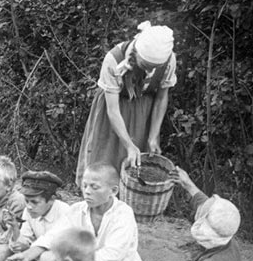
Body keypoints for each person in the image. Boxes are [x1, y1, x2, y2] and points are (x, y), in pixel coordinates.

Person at [26, 163, 143, 261]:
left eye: (94, 187)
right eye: (85, 185)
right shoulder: (77, 210)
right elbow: (56, 235)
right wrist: (30, 253)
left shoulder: (123, 214)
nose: (87, 191)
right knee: (46, 258)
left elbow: (113, 256)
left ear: (113, 191)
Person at [75, 21, 177, 186]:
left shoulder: (169, 60)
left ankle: (127, 206)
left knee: (135, 168)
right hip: (113, 113)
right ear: (136, 54)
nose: (150, 71)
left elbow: (160, 98)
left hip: (142, 113)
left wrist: (153, 135)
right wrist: (129, 145)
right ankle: (98, 200)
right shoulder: (114, 59)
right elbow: (113, 110)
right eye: (146, 66)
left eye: (155, 67)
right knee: (105, 161)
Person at [5, 171, 72, 261]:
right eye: (26, 201)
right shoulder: (29, 211)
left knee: (44, 256)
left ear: (51, 199)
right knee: (21, 254)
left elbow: (52, 240)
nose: (29, 206)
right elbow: (25, 239)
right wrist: (16, 235)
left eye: (35, 202)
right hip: (40, 254)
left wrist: (29, 251)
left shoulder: (65, 212)